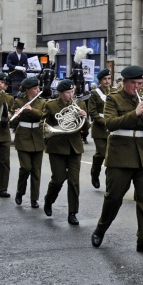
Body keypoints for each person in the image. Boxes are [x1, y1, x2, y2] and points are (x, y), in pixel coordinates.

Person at [91, 66, 143, 254]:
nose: (138, 87)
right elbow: (111, 124)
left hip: (142, 155)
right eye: (134, 84)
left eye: (141, 84)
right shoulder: (113, 98)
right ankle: (101, 228)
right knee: (114, 198)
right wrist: (135, 113)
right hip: (120, 154)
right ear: (124, 82)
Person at [43, 79, 89, 225]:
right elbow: (43, 125)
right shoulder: (51, 105)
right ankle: (49, 200)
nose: (71, 95)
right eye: (68, 92)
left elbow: (85, 128)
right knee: (58, 179)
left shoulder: (79, 105)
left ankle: (72, 213)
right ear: (61, 93)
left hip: (74, 147)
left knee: (74, 182)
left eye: (72, 92)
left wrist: (83, 117)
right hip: (57, 146)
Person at [10, 77, 46, 209]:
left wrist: (31, 110)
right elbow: (12, 122)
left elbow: (44, 116)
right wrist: (17, 115)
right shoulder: (18, 101)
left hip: (37, 136)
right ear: (28, 90)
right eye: (35, 88)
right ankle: (20, 191)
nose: (38, 90)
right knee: (25, 168)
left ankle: (34, 198)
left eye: (38, 88)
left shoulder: (42, 102)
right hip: (23, 137)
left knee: (36, 171)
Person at [86, 69, 112, 190]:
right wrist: (104, 122)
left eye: (109, 79)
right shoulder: (95, 93)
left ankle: (109, 181)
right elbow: (92, 112)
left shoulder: (114, 92)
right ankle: (95, 173)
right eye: (105, 79)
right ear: (100, 81)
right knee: (101, 153)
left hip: (112, 128)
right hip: (100, 129)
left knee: (111, 157)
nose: (107, 81)